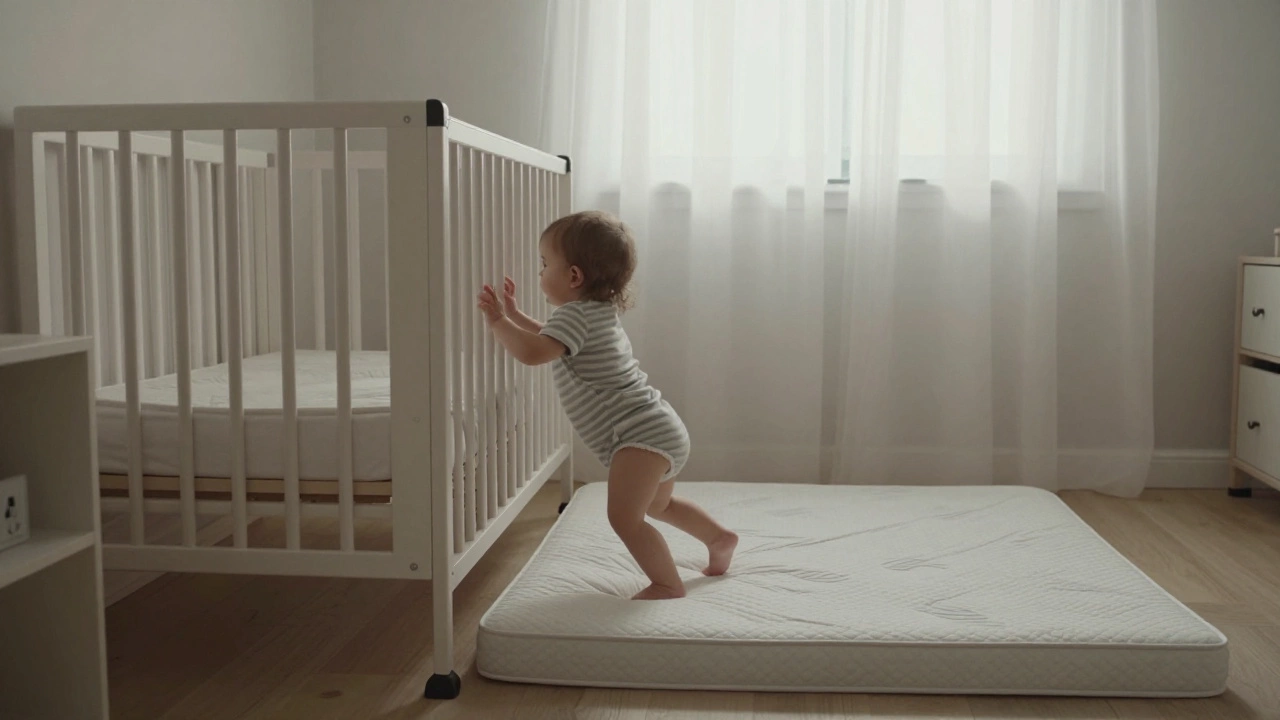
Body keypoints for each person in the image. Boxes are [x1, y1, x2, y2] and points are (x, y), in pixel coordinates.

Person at [476, 210, 737, 600]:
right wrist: (515, 316)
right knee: (659, 506)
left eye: (545, 264)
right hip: (659, 429)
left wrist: (498, 321)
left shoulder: (574, 316)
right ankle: (718, 538)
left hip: (639, 438)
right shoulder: (594, 314)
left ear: (574, 276)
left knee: (624, 518)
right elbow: (550, 339)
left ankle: (667, 583)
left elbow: (534, 352)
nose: (540, 272)